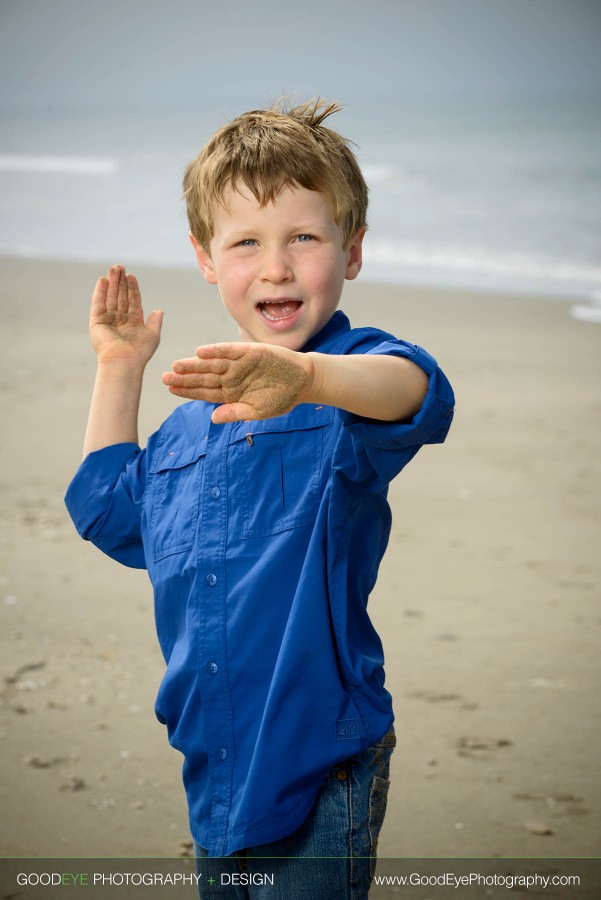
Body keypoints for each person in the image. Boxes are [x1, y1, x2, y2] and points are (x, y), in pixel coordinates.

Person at [65, 98, 455, 899]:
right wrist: (118, 367)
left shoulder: (347, 378)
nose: (275, 267)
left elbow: (416, 389)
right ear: (206, 259)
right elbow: (108, 508)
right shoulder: (183, 434)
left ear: (351, 251)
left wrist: (307, 377)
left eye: (304, 237)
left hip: (318, 759)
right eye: (245, 242)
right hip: (214, 758)